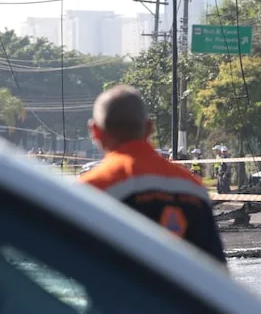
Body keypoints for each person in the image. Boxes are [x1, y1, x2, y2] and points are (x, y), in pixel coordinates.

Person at [78, 85, 226, 266]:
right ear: (149, 128)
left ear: (95, 131)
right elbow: (217, 273)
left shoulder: (91, 191)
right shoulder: (194, 188)